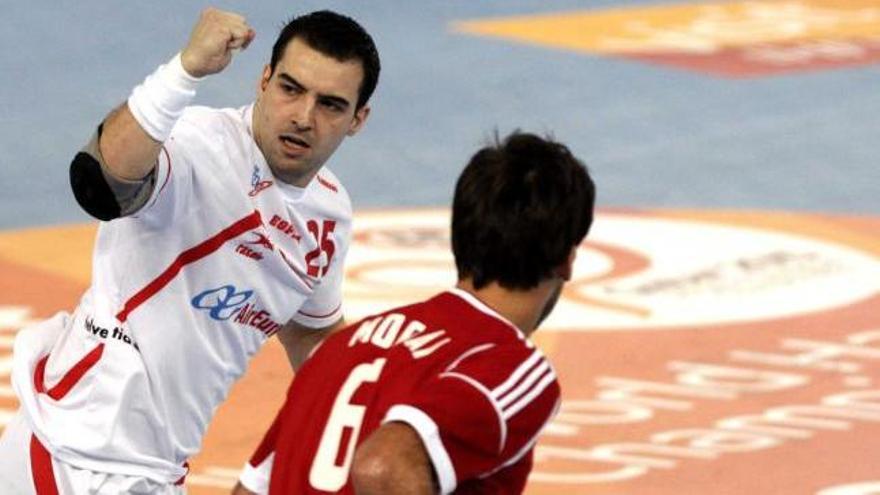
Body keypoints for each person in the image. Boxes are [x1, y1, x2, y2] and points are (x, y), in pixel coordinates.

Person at [0, 7, 380, 494]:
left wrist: (380, 412)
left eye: (330, 104)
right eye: (291, 88)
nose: (304, 117)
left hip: (154, 467)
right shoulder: (203, 146)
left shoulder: (328, 214)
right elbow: (103, 181)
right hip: (80, 454)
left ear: (357, 119)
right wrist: (184, 70)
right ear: (263, 81)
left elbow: (312, 336)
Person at [233, 131, 596, 494]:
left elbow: (249, 490)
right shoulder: (511, 365)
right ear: (567, 260)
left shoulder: (341, 348)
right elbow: (383, 466)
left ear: (461, 237)